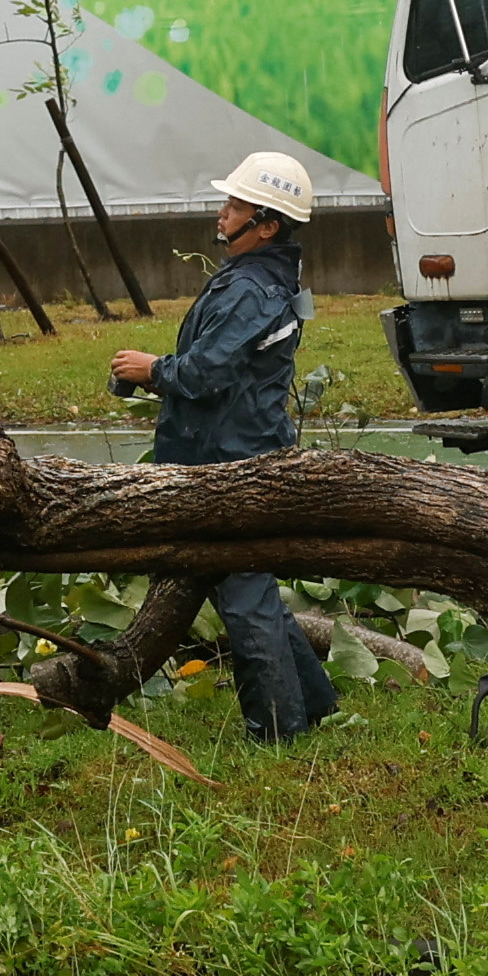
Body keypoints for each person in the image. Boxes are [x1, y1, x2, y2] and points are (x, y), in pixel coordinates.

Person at [109, 150, 333, 740]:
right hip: (233, 449)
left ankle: (279, 732)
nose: (222, 211)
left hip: (228, 462)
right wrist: (152, 374)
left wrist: (153, 369)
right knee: (252, 586)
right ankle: (312, 701)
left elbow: (207, 373)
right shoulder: (255, 278)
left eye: (234, 205)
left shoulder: (252, 289)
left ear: (266, 225)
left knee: (244, 598)